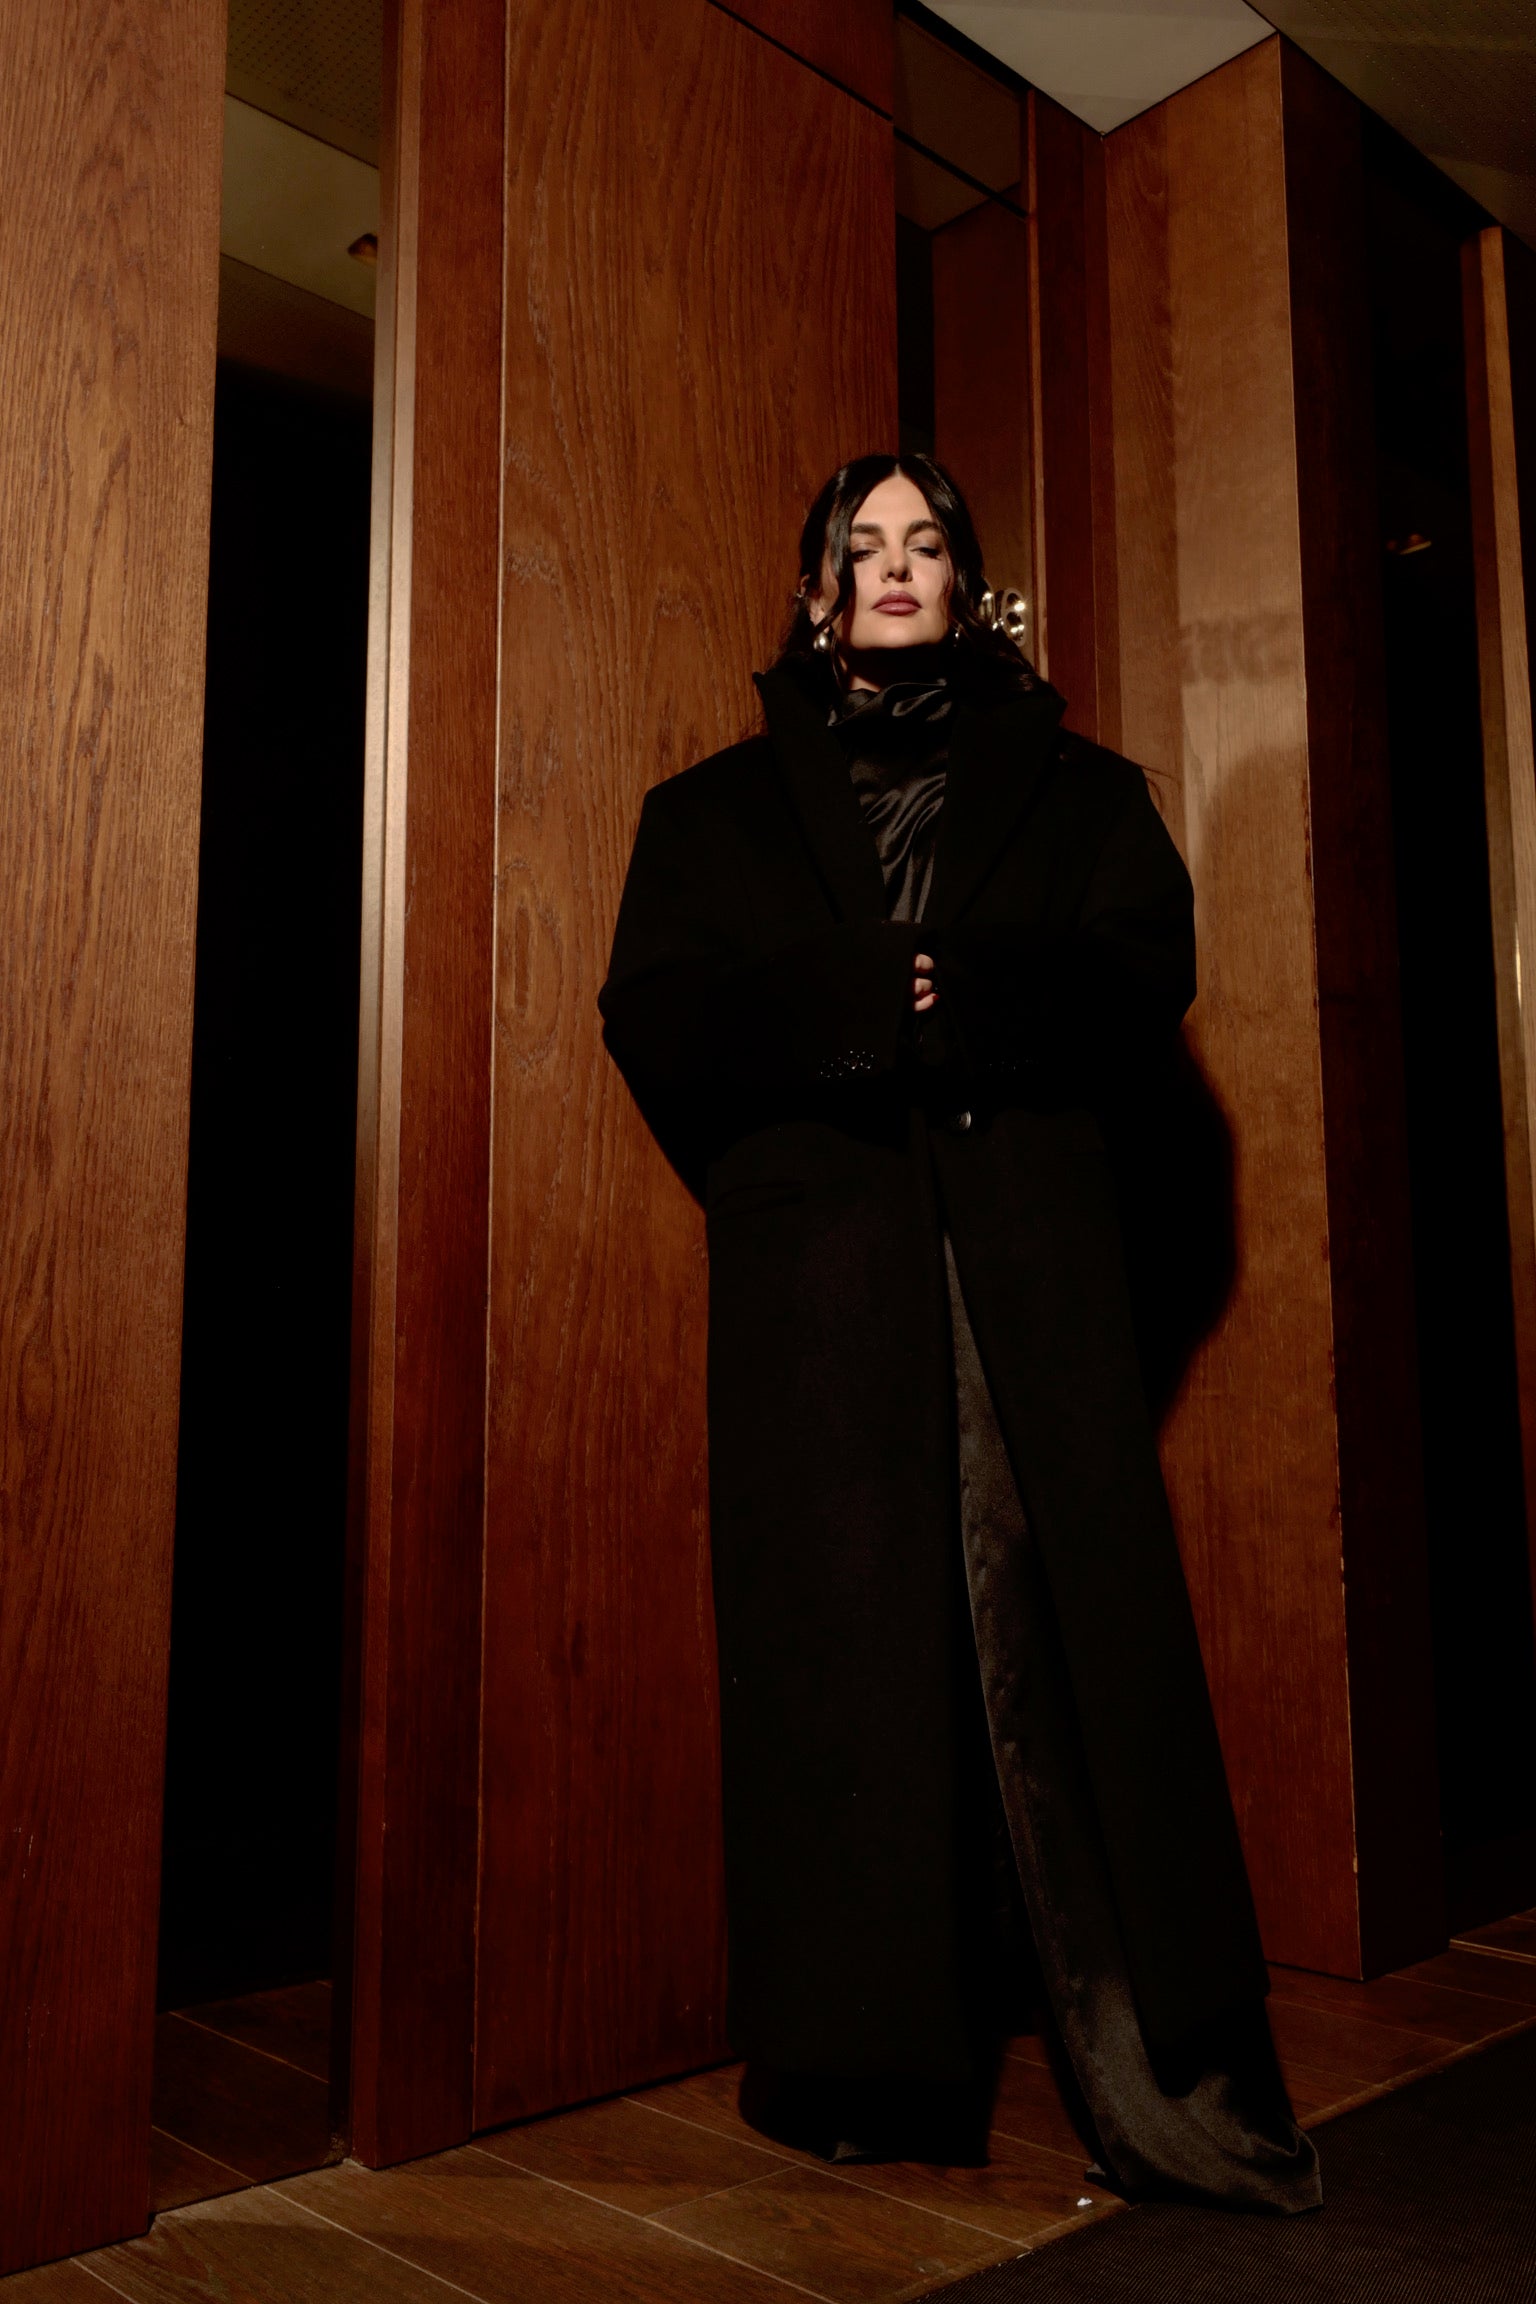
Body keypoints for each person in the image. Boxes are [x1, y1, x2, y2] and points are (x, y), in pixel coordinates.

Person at [598, 453, 1320, 2211]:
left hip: (1033, 1276)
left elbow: (1144, 972)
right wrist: (858, 1015)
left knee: (1055, 1627)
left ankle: (1162, 2057)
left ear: (969, 582)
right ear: (816, 591)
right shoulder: (705, 814)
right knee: (852, 1647)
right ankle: (865, 2064)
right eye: (863, 547)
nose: (895, 566)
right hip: (823, 1288)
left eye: (926, 543)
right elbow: (657, 1018)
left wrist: (968, 998)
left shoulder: (1083, 791)